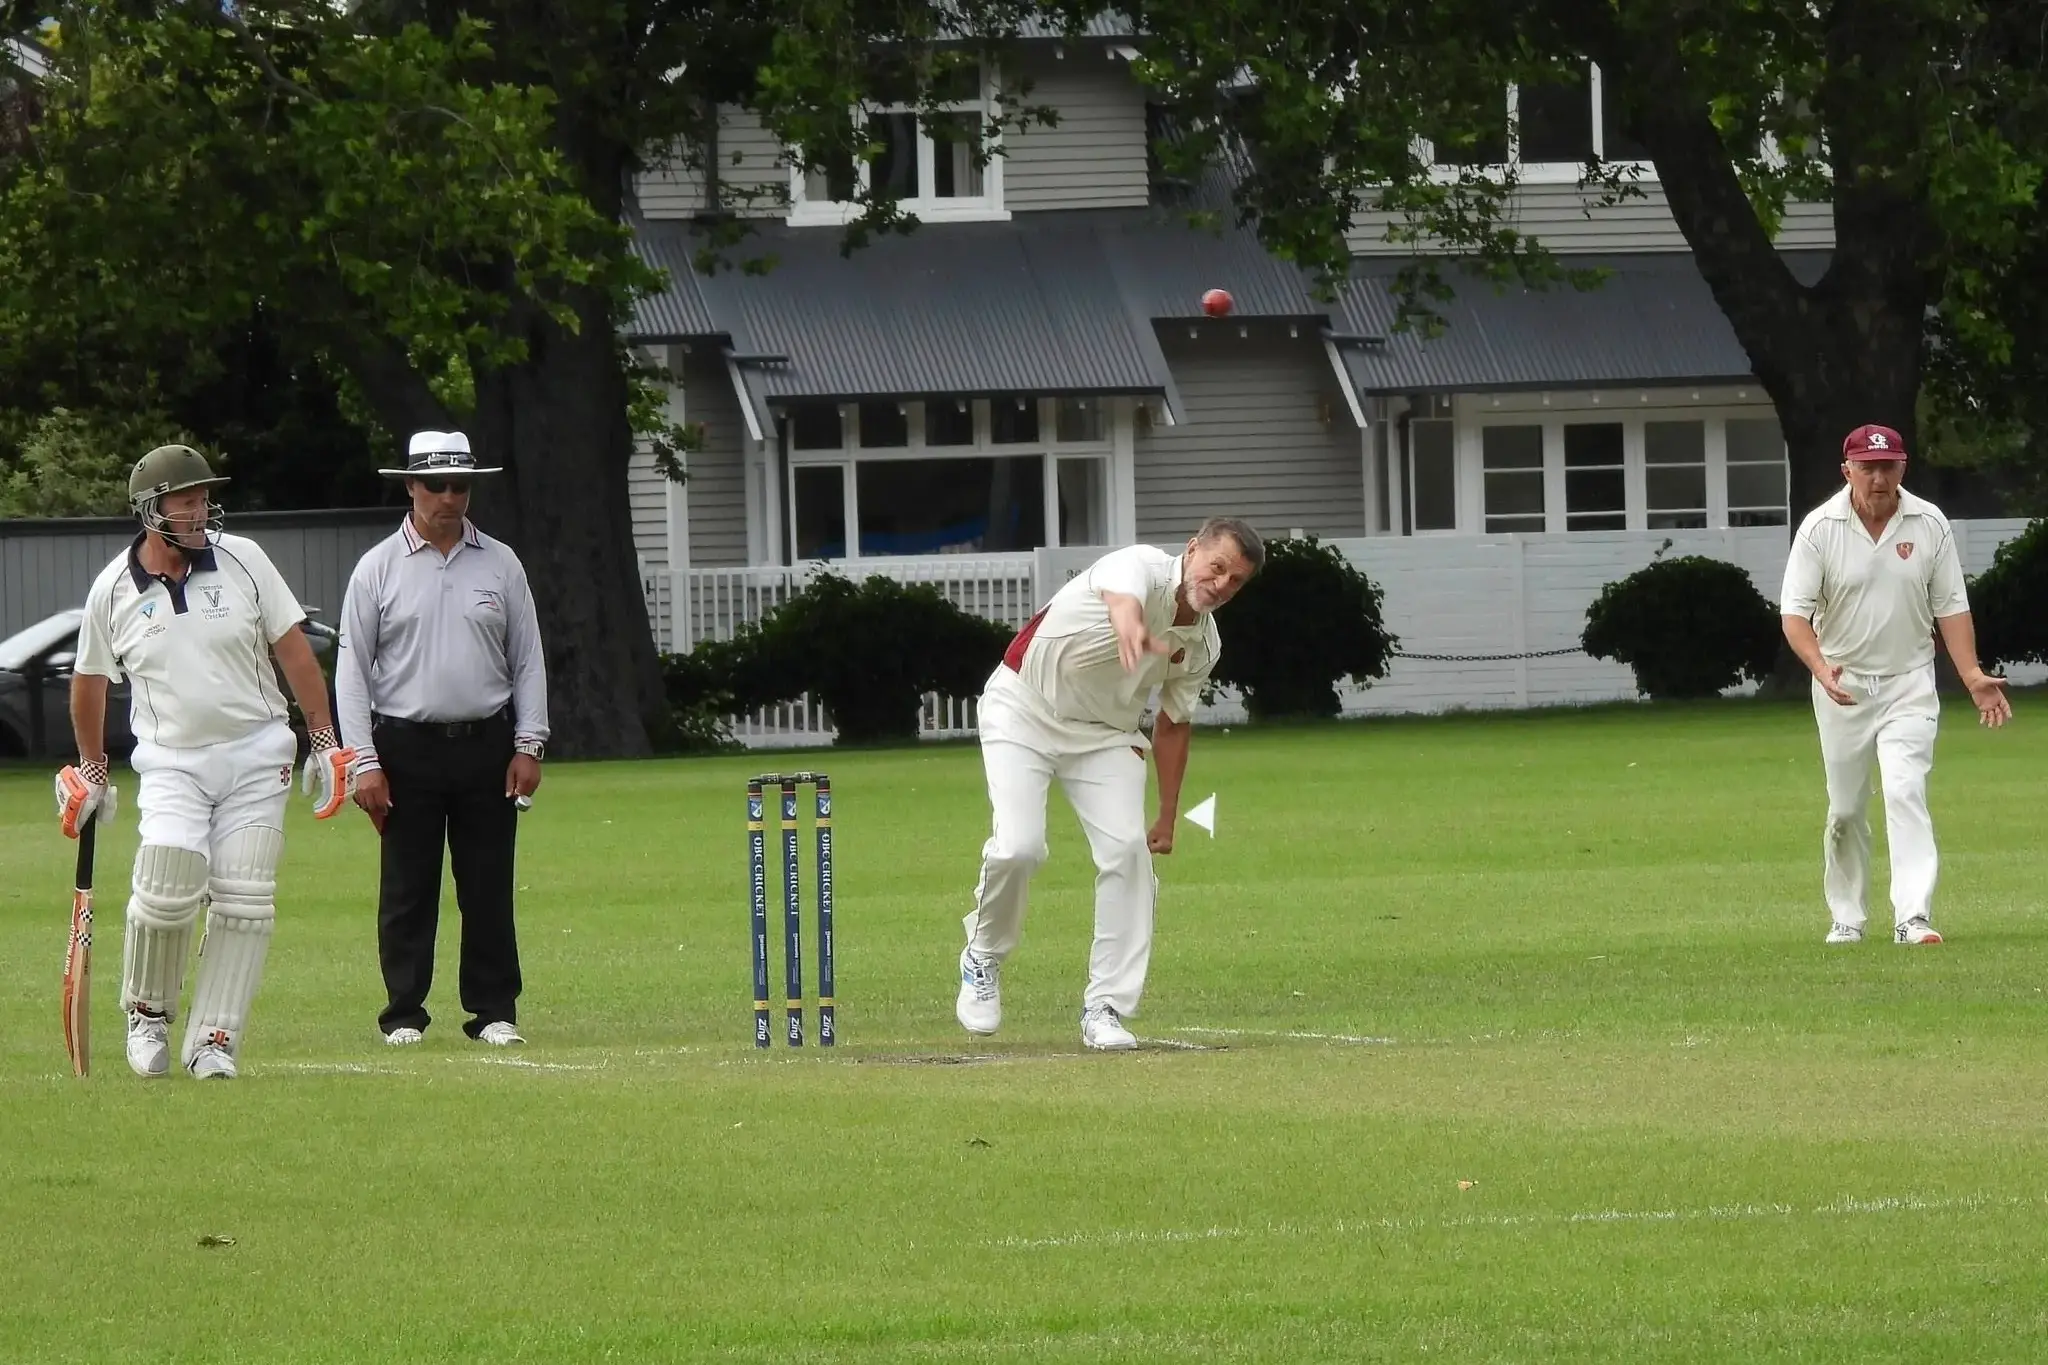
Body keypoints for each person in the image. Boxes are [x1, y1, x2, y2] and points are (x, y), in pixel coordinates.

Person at [55, 444, 355, 1081]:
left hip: (257, 753)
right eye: (186, 502)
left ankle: (214, 1038)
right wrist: (92, 769)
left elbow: (293, 651)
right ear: (151, 511)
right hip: (172, 762)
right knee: (166, 885)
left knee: (245, 900)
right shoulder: (113, 590)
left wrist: (326, 739)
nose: (200, 511)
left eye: (203, 499)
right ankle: (147, 1014)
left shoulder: (244, 560)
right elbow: (89, 683)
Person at [955, 517, 1263, 1050]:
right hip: (1023, 707)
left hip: (1105, 736)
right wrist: (1131, 628)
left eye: (1235, 581)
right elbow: (1121, 599)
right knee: (1019, 848)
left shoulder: (1203, 645)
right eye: (1217, 568)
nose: (1220, 585)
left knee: (1128, 854)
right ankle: (982, 956)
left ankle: (1105, 1007)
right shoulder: (1139, 565)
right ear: (1192, 549)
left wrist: (1167, 815)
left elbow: (1174, 723)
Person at [334, 430, 548, 1048]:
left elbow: (527, 658)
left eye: (460, 486)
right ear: (411, 487)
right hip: (404, 747)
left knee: (487, 885)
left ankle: (494, 1011)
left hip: (487, 743)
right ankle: (404, 1013)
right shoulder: (377, 568)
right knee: (407, 888)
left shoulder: (501, 563)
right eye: (436, 485)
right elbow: (352, 672)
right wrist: (363, 762)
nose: (449, 498)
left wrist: (529, 743)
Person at [1779, 423, 2012, 947]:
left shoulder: (1929, 523)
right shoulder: (1819, 528)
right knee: (1845, 810)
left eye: (1888, 467)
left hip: (1909, 681)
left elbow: (1951, 607)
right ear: (1848, 471)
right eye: (1868, 468)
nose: (1879, 478)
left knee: (1905, 791)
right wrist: (1820, 667)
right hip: (1843, 685)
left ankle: (1913, 917)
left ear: (1903, 467)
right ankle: (1847, 917)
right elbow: (1794, 615)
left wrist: (1972, 676)